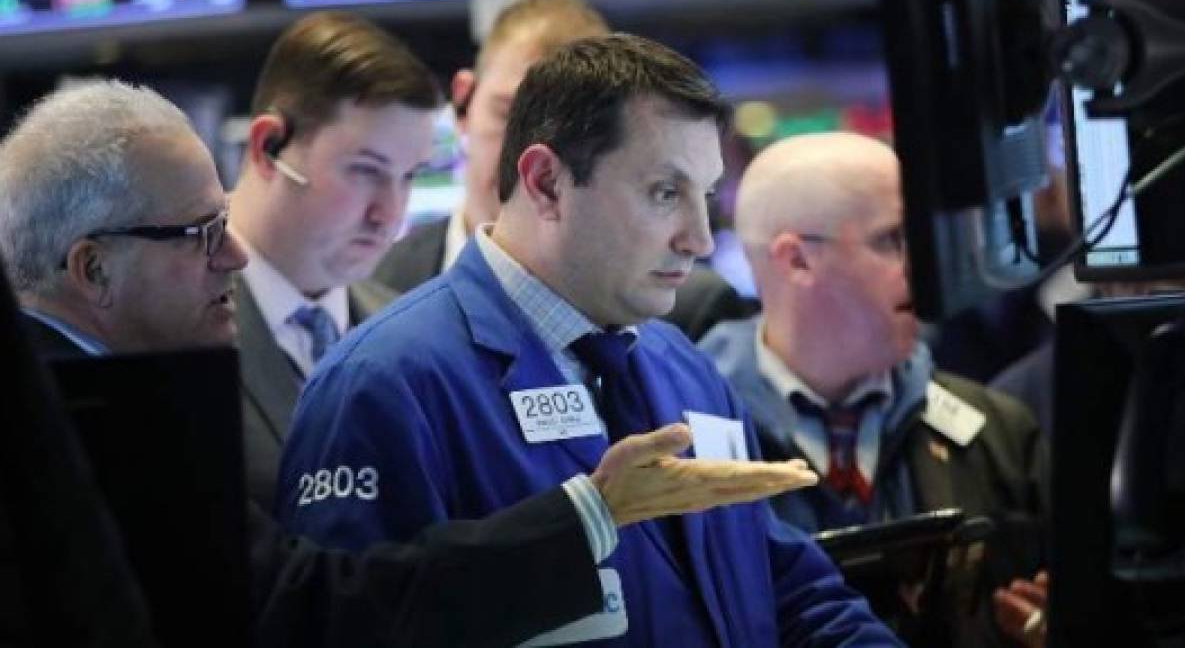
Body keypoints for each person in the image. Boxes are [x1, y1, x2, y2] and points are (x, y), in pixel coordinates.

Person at [0, 79, 814, 648]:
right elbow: (318, 616)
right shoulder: (84, 433)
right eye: (201, 234)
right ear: (92, 269)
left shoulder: (675, 360)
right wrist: (591, 515)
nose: (236, 256)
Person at [279, 34, 899, 645]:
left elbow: (786, 589)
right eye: (665, 193)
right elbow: (346, 625)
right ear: (548, 182)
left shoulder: (683, 364)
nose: (700, 238)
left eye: (705, 196)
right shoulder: (385, 383)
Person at [698, 132, 1049, 642]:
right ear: (796, 260)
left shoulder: (997, 430)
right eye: (892, 241)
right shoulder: (686, 448)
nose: (923, 270)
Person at [372, 0, 747, 341]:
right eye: (509, 113)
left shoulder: (689, 314)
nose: (526, 145)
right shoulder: (374, 277)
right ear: (463, 102)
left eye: (573, 128)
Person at [228, 11, 440, 507]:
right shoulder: (168, 323)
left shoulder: (408, 330)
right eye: (366, 171)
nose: (389, 215)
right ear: (267, 146)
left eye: (408, 177)